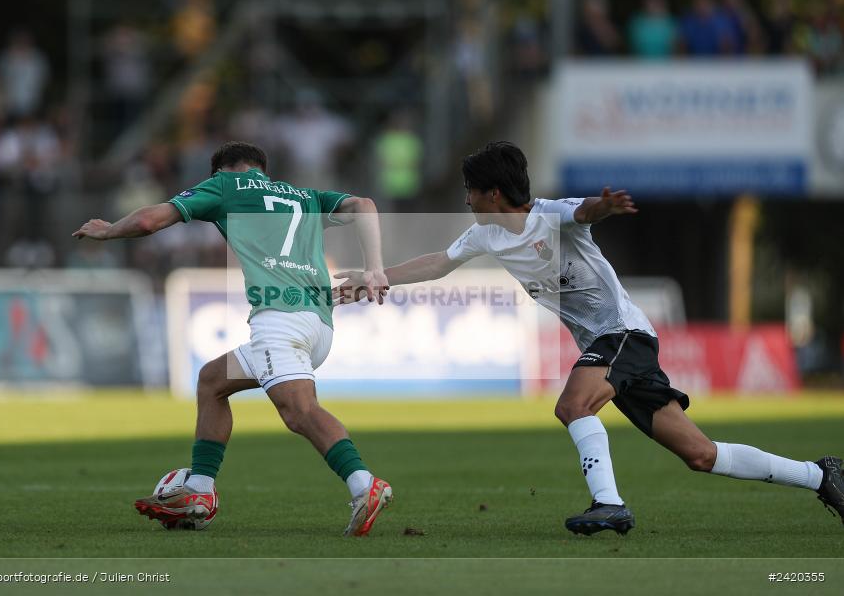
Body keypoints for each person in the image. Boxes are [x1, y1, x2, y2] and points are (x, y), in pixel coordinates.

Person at [336, 141, 844, 535]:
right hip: (613, 347)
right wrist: (375, 275)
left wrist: (602, 208)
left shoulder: (549, 215)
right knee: (701, 454)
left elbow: (583, 213)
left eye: (470, 189)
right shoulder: (485, 234)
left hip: (623, 334)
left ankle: (609, 504)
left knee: (573, 406)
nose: (465, 198)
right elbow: (437, 264)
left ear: (492, 193)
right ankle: (822, 475)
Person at [73, 141, 393, 536]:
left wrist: (108, 232)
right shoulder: (305, 196)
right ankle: (200, 489)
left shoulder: (227, 187)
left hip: (280, 321)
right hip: (319, 322)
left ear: (221, 171)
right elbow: (364, 204)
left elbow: (148, 221)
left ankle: (365, 484)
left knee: (299, 411)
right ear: (263, 169)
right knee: (212, 380)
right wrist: (375, 268)